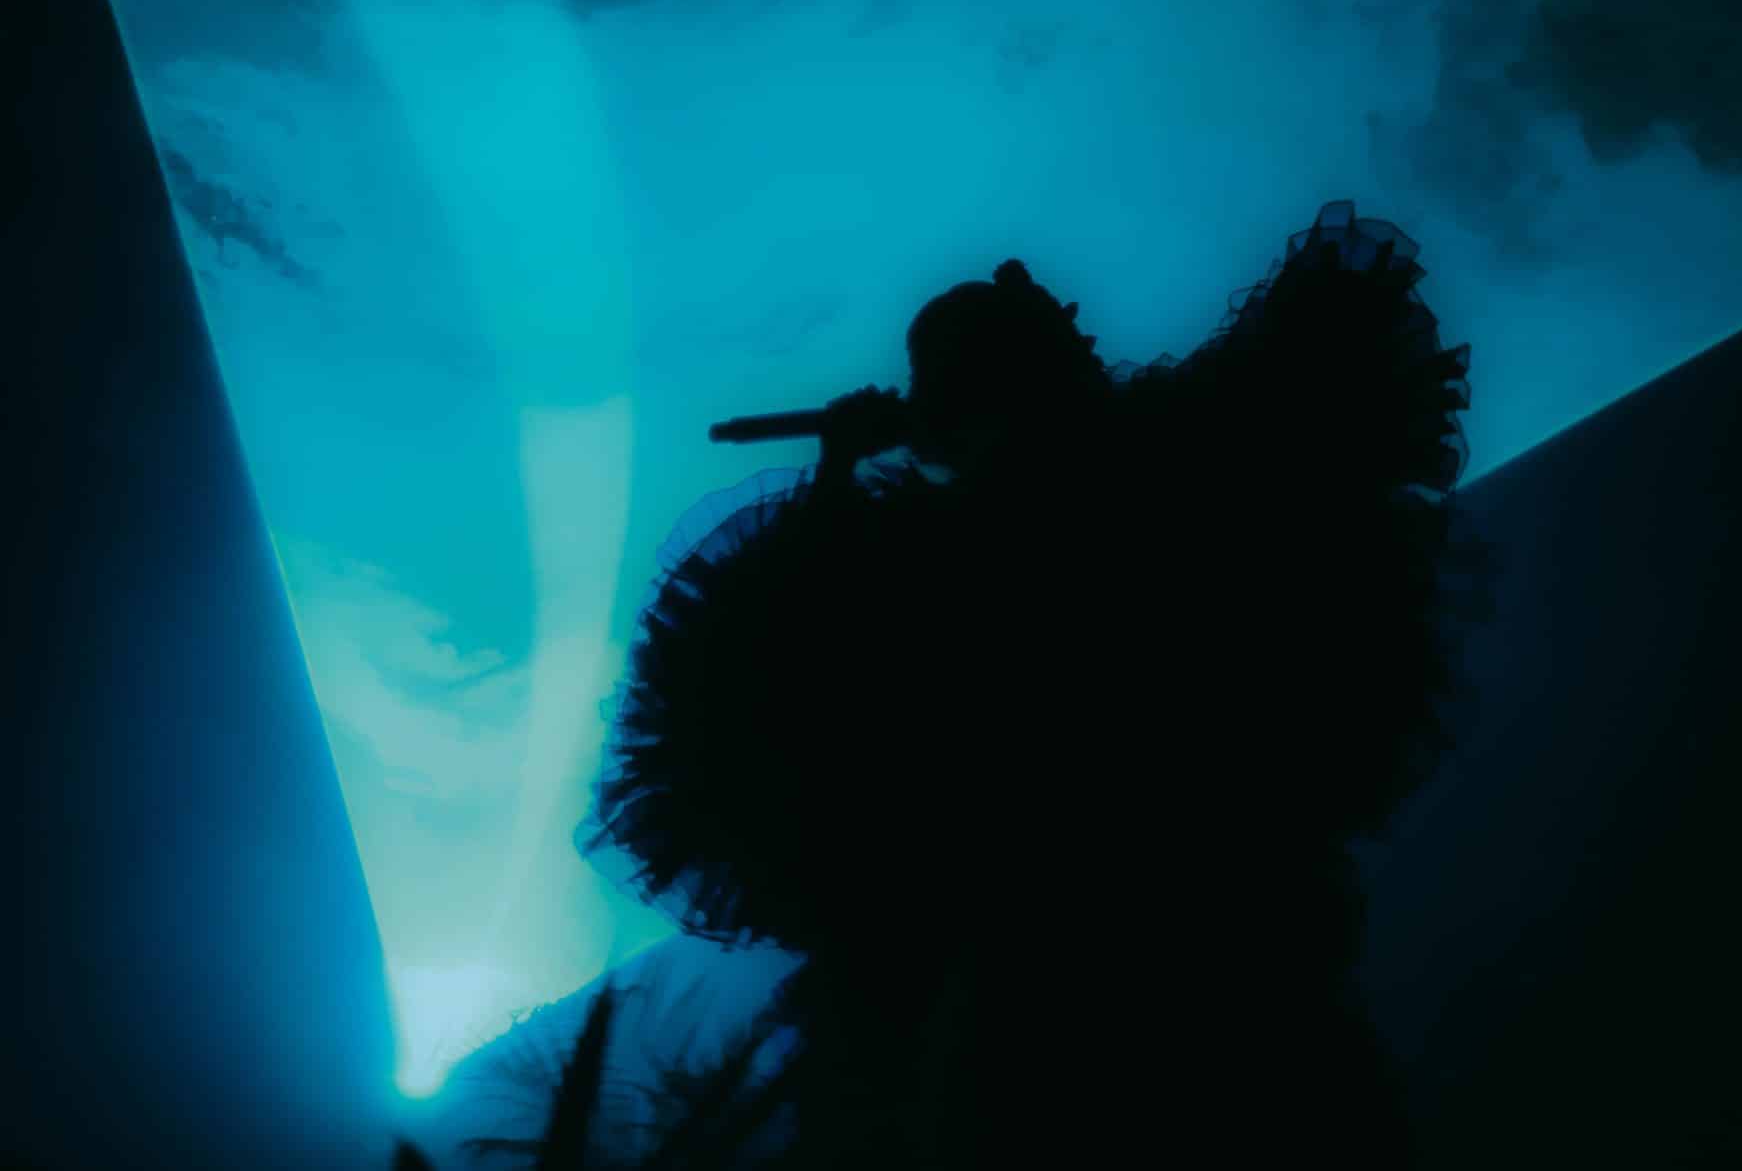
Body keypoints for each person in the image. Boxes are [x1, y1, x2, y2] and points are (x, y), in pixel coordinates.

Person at [573, 201, 1488, 1169]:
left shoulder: (957, 534)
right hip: (1194, 914)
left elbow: (782, 678)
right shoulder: (1171, 456)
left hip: (1061, 943)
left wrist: (840, 469)